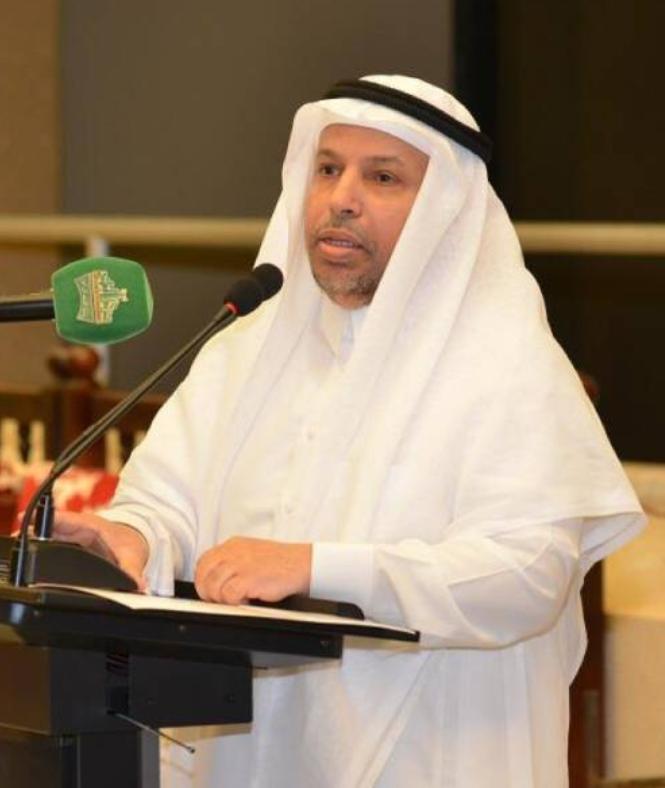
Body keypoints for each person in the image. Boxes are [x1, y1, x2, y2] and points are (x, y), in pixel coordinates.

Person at [54, 75, 644, 787]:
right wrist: (135, 538)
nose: (342, 198)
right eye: (328, 169)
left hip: (434, 755)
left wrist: (315, 567)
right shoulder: (246, 348)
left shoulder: (507, 364)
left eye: (382, 177)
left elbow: (527, 575)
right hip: (251, 748)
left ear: (444, 210)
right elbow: (169, 498)